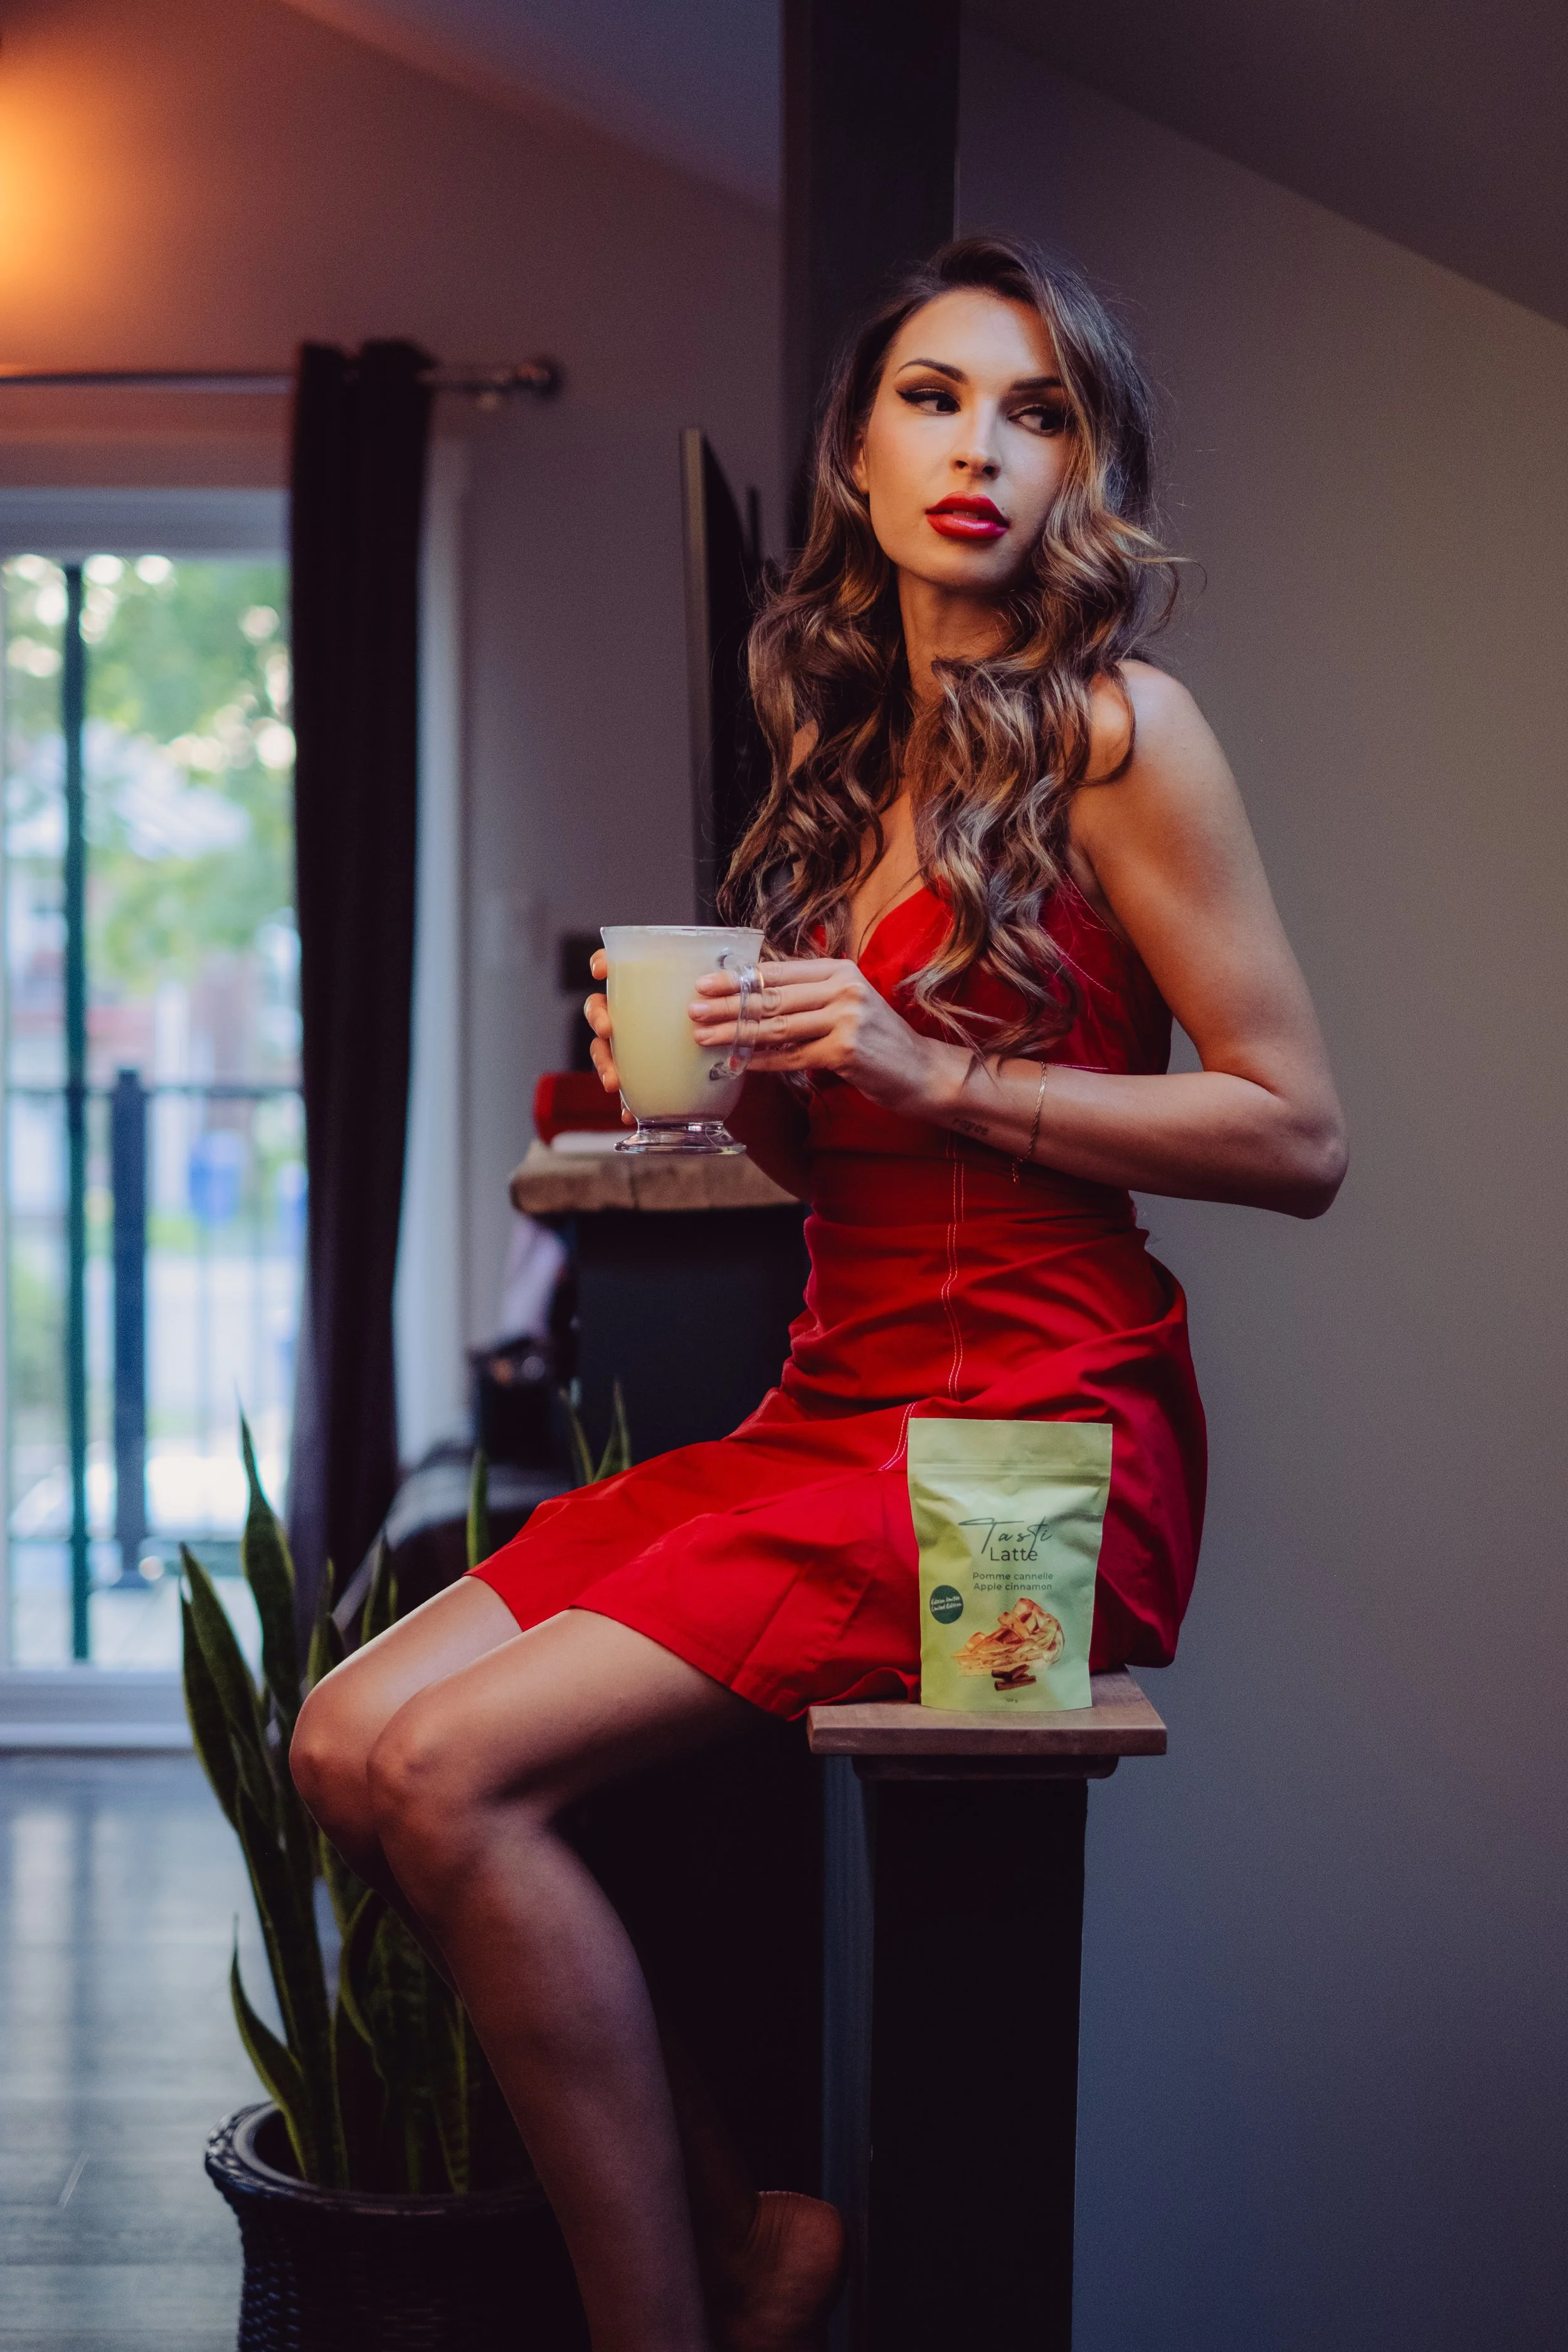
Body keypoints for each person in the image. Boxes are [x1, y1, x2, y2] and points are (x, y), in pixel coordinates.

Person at [291, 234, 1345, 2352]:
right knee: (339, 1738)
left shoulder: (1120, 733)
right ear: (854, 459)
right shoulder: (845, 761)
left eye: (1035, 409)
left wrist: (915, 1058)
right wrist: (744, 1085)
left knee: (443, 1775)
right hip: (830, 1400)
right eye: (934, 399)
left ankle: (661, 2325)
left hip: (1029, 1441)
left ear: (1081, 471)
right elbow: (842, 1155)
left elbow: (1293, 1132)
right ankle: (750, 2231)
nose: (980, 447)